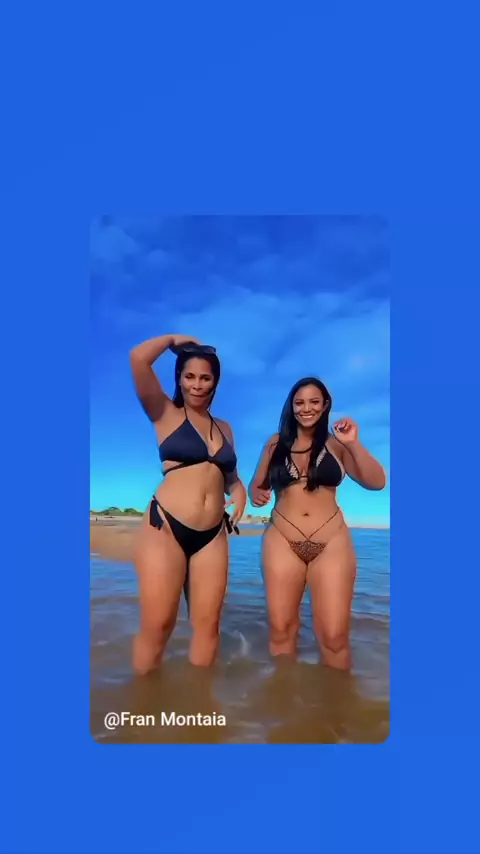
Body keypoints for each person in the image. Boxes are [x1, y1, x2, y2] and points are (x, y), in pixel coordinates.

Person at [248, 377, 386, 671]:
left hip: (331, 542)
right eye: (299, 402)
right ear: (291, 406)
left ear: (325, 406)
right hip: (281, 541)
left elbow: (377, 482)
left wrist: (354, 444)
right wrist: (256, 493)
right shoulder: (275, 444)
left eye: (314, 402)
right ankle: (285, 696)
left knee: (335, 638)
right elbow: (256, 484)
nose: (306, 408)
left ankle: (337, 700)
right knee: (281, 631)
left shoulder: (337, 444)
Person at [130, 333, 247, 673]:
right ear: (179, 379)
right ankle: (143, 701)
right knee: (158, 626)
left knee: (208, 627)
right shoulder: (165, 412)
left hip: (212, 535)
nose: (197, 384)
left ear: (215, 383)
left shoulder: (224, 428)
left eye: (205, 378)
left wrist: (239, 492)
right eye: (189, 376)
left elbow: (231, 477)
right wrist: (170, 340)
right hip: (166, 526)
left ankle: (199, 703)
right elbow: (138, 359)